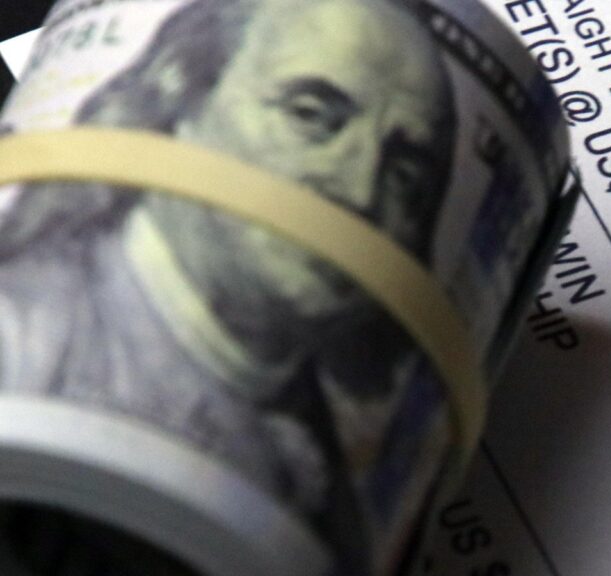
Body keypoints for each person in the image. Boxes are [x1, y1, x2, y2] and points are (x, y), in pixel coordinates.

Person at [0, 0, 457, 569]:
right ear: (178, 98)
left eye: (405, 175)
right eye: (311, 115)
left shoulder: (330, 458)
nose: (361, 191)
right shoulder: (21, 332)